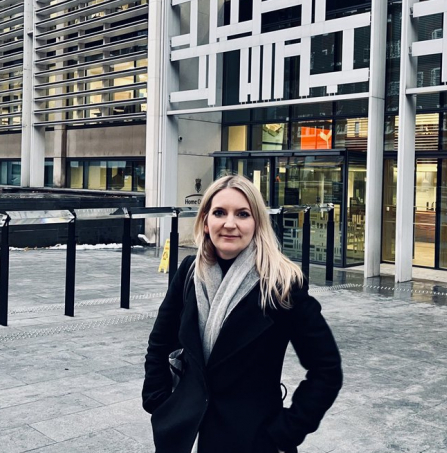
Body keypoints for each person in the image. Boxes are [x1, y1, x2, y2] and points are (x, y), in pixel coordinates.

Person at [142, 175, 342, 453]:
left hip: (252, 438)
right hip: (184, 432)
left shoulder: (281, 284)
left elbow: (326, 369)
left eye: (243, 214)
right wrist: (158, 401)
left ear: (257, 222)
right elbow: (160, 343)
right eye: (219, 212)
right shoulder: (189, 272)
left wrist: (285, 433)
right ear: (205, 220)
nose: (229, 224)